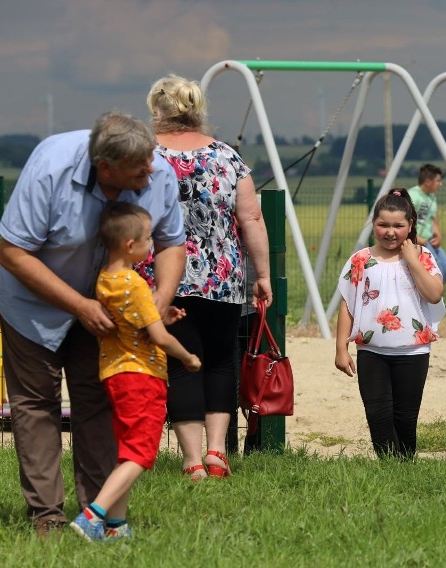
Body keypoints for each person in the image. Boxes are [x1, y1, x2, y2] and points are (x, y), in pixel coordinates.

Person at [0, 111, 186, 538]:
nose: (151, 169)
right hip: (32, 307)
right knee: (36, 407)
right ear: (105, 167)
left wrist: (159, 301)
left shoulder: (159, 173)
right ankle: (46, 516)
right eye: (140, 166)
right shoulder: (51, 166)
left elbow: (173, 243)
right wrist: (80, 305)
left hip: (107, 316)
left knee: (98, 405)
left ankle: (97, 517)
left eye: (151, 159)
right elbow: (13, 253)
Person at [145, 74, 272, 480]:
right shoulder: (227, 157)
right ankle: (217, 453)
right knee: (220, 362)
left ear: (156, 112)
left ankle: (191, 459)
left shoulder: (146, 157)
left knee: (182, 365)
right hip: (223, 275)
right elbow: (250, 217)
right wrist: (263, 274)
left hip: (166, 277)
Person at [70, 202, 201, 542]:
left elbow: (135, 321)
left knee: (127, 452)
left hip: (115, 374)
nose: (151, 244)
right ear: (131, 246)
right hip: (143, 376)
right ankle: (92, 516)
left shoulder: (106, 281)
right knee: (141, 453)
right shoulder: (135, 283)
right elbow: (158, 338)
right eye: (147, 239)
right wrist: (188, 357)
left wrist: (160, 316)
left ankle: (116, 526)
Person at [334, 188, 446, 458]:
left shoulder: (423, 257)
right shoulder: (361, 260)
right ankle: (389, 467)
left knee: (405, 418)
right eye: (383, 224)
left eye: (398, 225)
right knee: (378, 415)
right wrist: (340, 348)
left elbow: (434, 294)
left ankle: (404, 469)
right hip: (372, 351)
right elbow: (348, 304)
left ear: (410, 226)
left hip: (413, 351)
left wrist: (411, 260)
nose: (390, 231)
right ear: (373, 224)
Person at [407, 163, 446, 283]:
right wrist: (417, 238)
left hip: (429, 240)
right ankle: (431, 296)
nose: (441, 184)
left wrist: (438, 235)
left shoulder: (432, 197)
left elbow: (433, 220)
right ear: (428, 181)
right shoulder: (412, 196)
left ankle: (433, 290)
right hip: (418, 241)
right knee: (438, 273)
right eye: (438, 181)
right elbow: (403, 220)